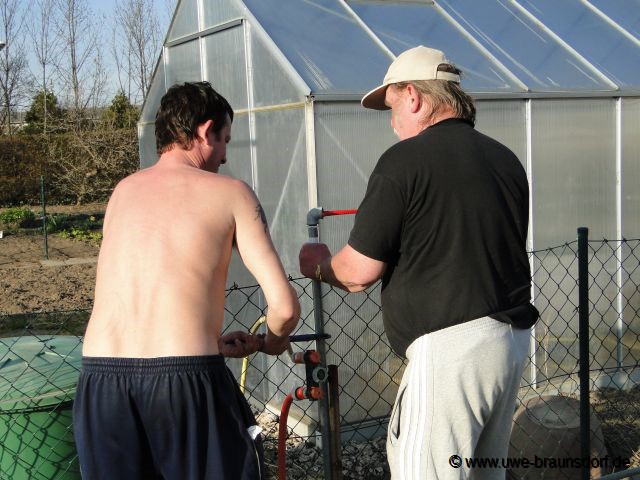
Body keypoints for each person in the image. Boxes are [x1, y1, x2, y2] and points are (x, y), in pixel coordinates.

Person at [299, 46, 538, 479]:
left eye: (392, 108)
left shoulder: (404, 161)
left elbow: (358, 273)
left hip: (451, 352)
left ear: (414, 96)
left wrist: (317, 263)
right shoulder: (505, 161)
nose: (392, 124)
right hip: (511, 340)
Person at [73, 81, 300, 480]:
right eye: (225, 140)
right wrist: (273, 342)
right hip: (184, 383)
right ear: (204, 130)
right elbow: (284, 307)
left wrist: (208, 342)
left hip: (100, 382)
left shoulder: (123, 191)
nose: (226, 156)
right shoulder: (230, 193)